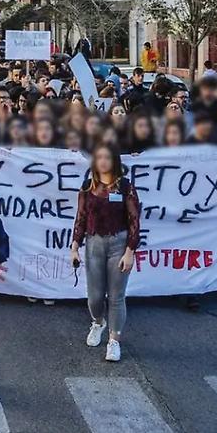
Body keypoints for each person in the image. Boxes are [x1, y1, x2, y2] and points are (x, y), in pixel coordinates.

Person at [70, 143, 140, 363]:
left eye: (107, 157)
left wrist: (130, 251)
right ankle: (98, 323)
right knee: (95, 296)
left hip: (119, 243)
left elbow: (134, 221)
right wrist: (74, 246)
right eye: (99, 157)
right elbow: (80, 217)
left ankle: (114, 340)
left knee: (116, 296)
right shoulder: (87, 186)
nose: (103, 161)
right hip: (94, 244)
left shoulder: (125, 187)